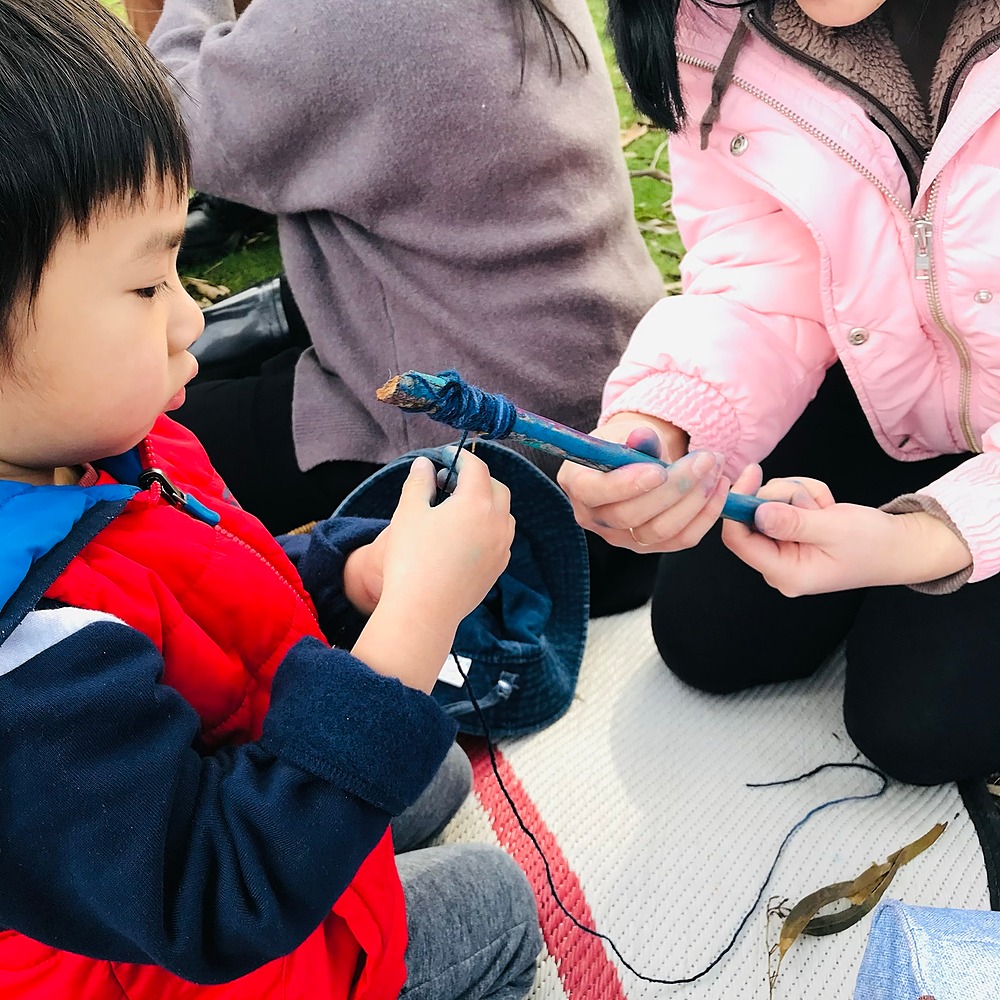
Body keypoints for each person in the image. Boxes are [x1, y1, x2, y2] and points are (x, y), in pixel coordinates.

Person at [0, 2, 541, 998]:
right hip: (177, 950)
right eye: (143, 287)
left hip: (204, 813)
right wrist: (411, 632)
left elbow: (206, 606)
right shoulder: (25, 667)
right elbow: (216, 896)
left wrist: (351, 575)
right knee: (498, 904)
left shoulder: (93, 447)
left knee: (433, 772)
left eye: (179, 268)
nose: (191, 316)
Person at [558, 0, 1000, 785]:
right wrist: (665, 417)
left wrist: (937, 534)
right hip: (894, 385)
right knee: (711, 632)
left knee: (917, 722)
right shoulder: (708, 22)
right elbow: (759, 263)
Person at [145, 0, 666, 616]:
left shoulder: (347, 13)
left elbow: (171, 124)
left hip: (496, 464)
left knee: (143, 438)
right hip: (607, 394)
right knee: (196, 368)